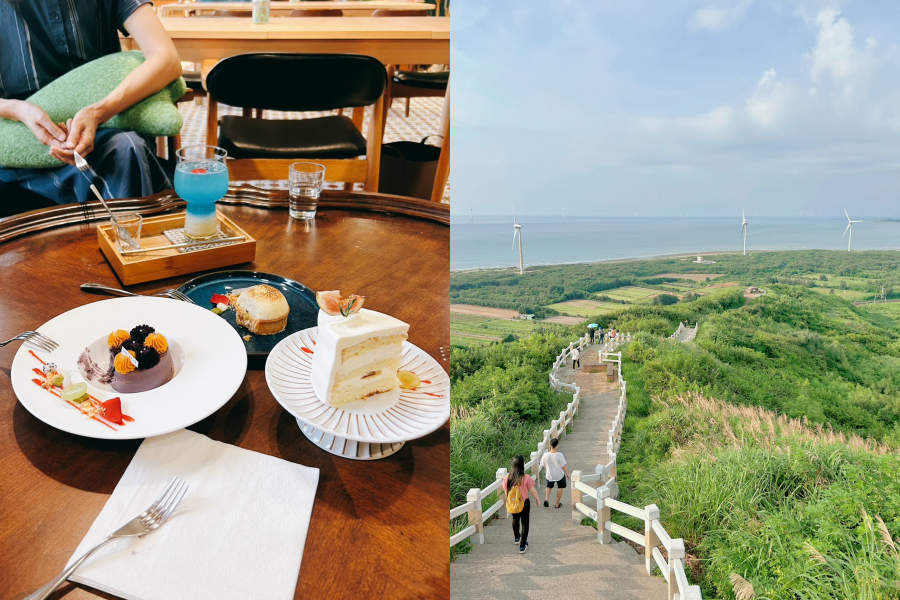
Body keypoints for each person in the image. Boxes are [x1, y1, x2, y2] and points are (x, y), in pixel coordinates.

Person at [0, 0, 182, 205]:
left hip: (108, 130)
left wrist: (99, 112)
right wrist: (17, 109)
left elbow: (167, 58)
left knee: (125, 149)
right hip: (19, 145)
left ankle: (129, 233)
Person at [502, 455, 540, 554]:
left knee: (515, 519)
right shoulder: (525, 477)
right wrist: (537, 499)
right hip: (524, 503)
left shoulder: (507, 478)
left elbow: (505, 491)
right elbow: (532, 490)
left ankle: (517, 538)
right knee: (525, 523)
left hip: (512, 502)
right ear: (522, 465)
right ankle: (522, 546)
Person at [539, 438, 570, 508]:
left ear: (550, 445)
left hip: (550, 475)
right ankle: (557, 504)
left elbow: (543, 465)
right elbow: (563, 466)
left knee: (548, 487)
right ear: (557, 446)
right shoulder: (560, 455)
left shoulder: (545, 455)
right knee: (560, 487)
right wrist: (567, 474)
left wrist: (548, 466)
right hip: (560, 475)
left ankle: (546, 499)